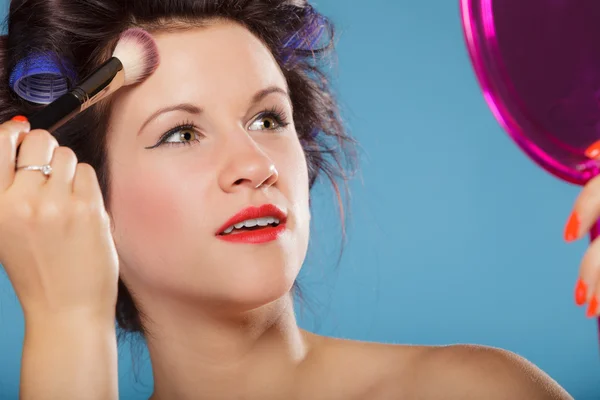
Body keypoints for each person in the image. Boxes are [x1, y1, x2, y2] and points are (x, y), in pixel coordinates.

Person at [0, 0, 579, 399]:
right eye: (181, 133)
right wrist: (66, 325)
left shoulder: (470, 391)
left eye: (268, 118)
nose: (257, 165)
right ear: (81, 196)